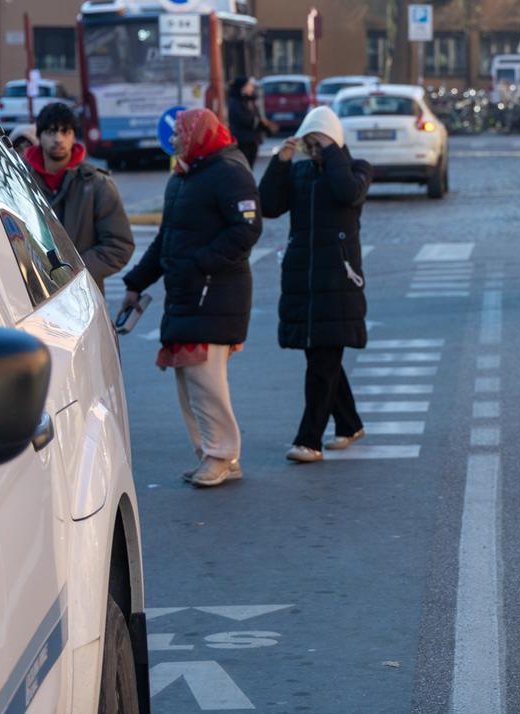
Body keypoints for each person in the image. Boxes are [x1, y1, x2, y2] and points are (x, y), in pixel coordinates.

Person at [121, 108, 263, 488]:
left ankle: (221, 454)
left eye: (181, 135)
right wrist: (137, 282)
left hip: (215, 292)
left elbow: (247, 230)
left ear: (199, 134)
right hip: (188, 291)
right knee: (190, 381)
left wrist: (201, 263)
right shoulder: (184, 176)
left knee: (206, 380)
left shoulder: (229, 172)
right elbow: (166, 239)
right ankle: (210, 454)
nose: (176, 141)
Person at [258, 107, 374, 463]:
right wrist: (281, 161)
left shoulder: (357, 169)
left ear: (335, 142)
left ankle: (309, 440)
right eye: (310, 143)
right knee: (321, 357)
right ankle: (349, 423)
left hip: (338, 279)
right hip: (303, 279)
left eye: (320, 142)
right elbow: (269, 205)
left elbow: (347, 194)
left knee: (322, 361)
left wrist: (333, 149)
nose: (315, 150)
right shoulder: (300, 172)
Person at [23, 103, 133, 293]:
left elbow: (119, 246)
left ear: (74, 136)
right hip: (30, 295)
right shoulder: (19, 180)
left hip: (83, 295)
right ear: (39, 136)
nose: (58, 139)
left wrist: (73, 271)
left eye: (65, 132)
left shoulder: (97, 184)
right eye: (51, 132)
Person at [227, 76, 275, 168]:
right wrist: (257, 121)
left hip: (253, 139)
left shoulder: (251, 100)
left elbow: (256, 115)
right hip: (243, 139)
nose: (252, 88)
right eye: (250, 85)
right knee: (244, 166)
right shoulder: (235, 101)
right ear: (243, 87)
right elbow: (241, 119)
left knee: (250, 166)